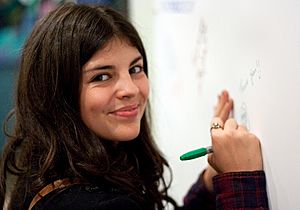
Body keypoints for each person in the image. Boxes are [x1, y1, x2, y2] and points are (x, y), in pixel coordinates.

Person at [0, 3, 269, 210]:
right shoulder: (87, 204)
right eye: (101, 76)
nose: (130, 89)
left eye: (135, 68)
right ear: (58, 93)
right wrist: (240, 181)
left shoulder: (50, 169)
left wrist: (213, 179)